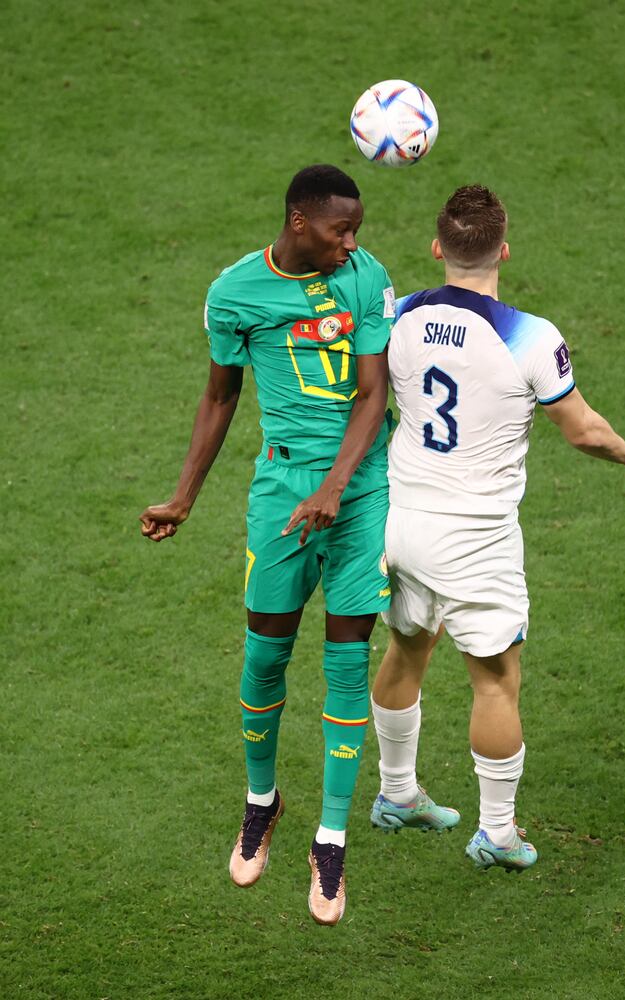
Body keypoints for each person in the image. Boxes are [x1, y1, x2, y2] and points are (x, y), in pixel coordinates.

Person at [369, 185, 625, 871]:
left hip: (401, 522)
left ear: (436, 248)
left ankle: (396, 794)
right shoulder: (530, 336)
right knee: (495, 684)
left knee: (407, 648)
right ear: (503, 249)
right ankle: (499, 834)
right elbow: (585, 431)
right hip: (476, 541)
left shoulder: (398, 316)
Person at [140, 164, 396, 925]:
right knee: (264, 654)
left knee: (348, 659)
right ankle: (263, 802)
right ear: (297, 223)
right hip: (282, 494)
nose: (352, 244)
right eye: (338, 231)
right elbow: (220, 396)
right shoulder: (234, 293)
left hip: (360, 493)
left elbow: (374, 394)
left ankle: (331, 840)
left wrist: (338, 489)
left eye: (356, 230)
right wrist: (183, 497)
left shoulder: (366, 276)